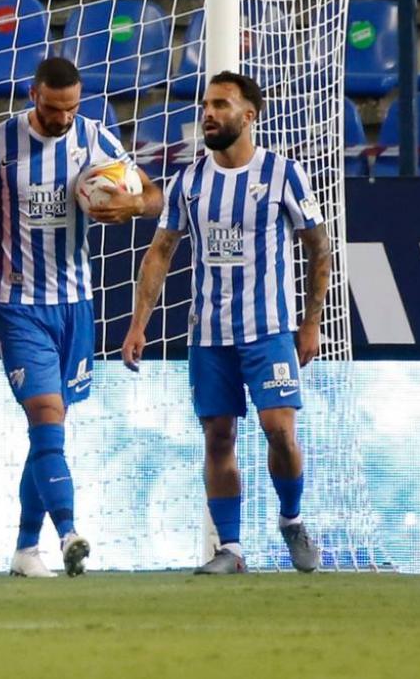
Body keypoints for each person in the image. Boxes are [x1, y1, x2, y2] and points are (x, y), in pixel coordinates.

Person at [0, 57, 163, 578]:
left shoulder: (95, 139)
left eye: (71, 109)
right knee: (46, 417)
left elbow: (155, 195)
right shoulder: (0, 142)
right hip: (19, 303)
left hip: (76, 306)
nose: (62, 119)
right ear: (33, 96)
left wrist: (129, 209)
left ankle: (26, 549)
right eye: (52, 110)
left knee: (49, 433)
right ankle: (69, 531)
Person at [121, 71, 328, 575]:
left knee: (278, 430)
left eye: (220, 104)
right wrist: (137, 324)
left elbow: (318, 246)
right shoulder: (189, 181)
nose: (208, 113)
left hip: (270, 328)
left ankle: (291, 519)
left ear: (248, 115)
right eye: (206, 105)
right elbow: (160, 252)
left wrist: (311, 322)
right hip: (209, 334)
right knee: (218, 436)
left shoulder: (283, 173)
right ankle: (230, 549)